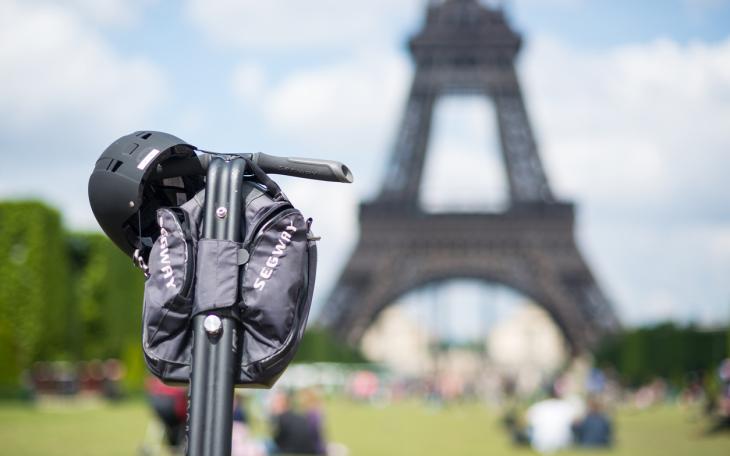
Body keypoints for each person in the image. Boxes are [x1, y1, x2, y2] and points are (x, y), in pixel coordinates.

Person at [526, 385, 581, 454]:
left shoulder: (538, 406)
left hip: (539, 444)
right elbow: (577, 422)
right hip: (563, 443)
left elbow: (525, 422)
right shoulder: (566, 406)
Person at [270, 390, 322, 455]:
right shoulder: (297, 416)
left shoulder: (282, 418)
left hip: (290, 449)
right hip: (308, 449)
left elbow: (278, 440)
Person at [145, 376, 187, 450]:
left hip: (158, 406)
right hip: (174, 409)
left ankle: (173, 444)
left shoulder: (159, 374)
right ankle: (176, 444)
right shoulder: (181, 377)